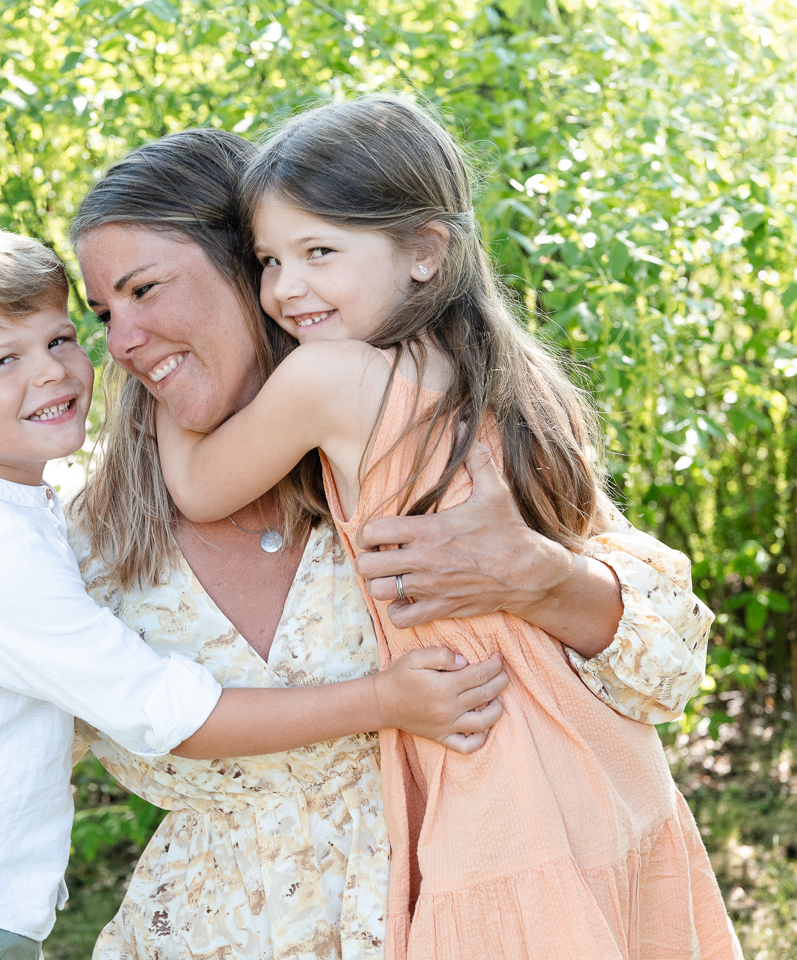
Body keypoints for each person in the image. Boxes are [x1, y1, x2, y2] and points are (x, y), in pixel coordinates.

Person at [0, 129, 717, 960]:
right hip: (208, 929)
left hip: (446, 901)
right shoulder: (91, 545)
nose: (123, 342)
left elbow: (665, 662)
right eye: (104, 314)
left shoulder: (413, 449)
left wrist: (541, 575)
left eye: (146, 291)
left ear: (256, 274)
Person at [0, 221, 511, 960]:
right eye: (5, 360)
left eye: (62, 339)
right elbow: (160, 712)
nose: (52, 373)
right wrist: (383, 700)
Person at [155, 95, 741, 959]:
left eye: (320, 252)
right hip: (599, 749)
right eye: (269, 260)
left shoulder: (331, 376)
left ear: (425, 251)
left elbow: (200, 487)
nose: (284, 288)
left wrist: (162, 373)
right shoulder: (515, 376)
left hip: (492, 753)